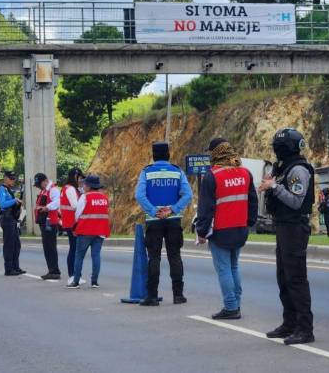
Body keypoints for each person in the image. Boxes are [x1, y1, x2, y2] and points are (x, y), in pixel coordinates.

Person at [258, 128, 315, 345]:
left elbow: (296, 202)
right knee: (283, 277)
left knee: (296, 279)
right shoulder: (283, 168)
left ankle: (305, 329)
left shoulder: (298, 170)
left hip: (294, 227)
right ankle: (289, 323)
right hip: (283, 227)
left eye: (278, 148)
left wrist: (274, 186)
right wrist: (272, 183)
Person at [196, 138, 258, 319]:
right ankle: (236, 304)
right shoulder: (245, 173)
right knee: (233, 266)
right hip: (240, 229)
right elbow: (253, 201)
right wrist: (249, 223)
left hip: (221, 230)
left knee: (224, 269)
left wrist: (201, 232)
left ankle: (231, 307)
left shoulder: (212, 175)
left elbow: (206, 208)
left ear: (215, 153)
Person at [135, 142, 193, 306]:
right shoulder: (177, 171)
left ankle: (152, 296)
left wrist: (153, 211)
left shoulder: (146, 172)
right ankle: (178, 295)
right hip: (173, 220)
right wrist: (173, 209)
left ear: (153, 155)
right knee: (175, 256)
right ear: (168, 154)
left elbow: (139, 195)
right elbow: (188, 194)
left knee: (154, 257)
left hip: (154, 221)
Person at [67, 175, 110, 289]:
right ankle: (94, 282)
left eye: (85, 184)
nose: (83, 186)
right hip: (100, 231)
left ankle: (75, 281)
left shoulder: (84, 197)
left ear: (89, 186)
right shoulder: (104, 198)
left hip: (85, 230)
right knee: (96, 256)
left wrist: (75, 227)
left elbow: (78, 214)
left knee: (79, 256)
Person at [0, 171, 25, 276]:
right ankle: (8, 269)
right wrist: (15, 200)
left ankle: (15, 267)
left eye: (14, 178)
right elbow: (3, 204)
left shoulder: (9, 190)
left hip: (12, 219)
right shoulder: (2, 189)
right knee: (9, 244)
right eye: (11, 178)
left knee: (16, 244)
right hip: (6, 218)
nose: (13, 180)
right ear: (5, 178)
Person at [34, 172, 61, 280]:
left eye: (39, 184)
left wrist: (46, 207)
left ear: (45, 181)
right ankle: (52, 270)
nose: (38, 187)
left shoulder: (53, 189)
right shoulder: (44, 190)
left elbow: (58, 201)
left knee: (50, 247)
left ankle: (54, 271)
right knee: (47, 247)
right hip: (44, 222)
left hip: (50, 222)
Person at [60, 167, 85, 285]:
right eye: (79, 178)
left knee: (75, 249)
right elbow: (75, 206)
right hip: (72, 223)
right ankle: (72, 275)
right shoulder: (70, 189)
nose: (81, 180)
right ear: (75, 177)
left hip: (71, 222)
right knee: (74, 249)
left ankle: (77, 275)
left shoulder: (68, 188)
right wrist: (84, 199)